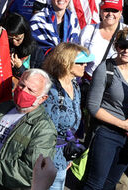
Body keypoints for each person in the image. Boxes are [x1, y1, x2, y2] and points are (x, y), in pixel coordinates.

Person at [80, 27, 128, 190]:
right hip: (106, 133)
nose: (126, 51)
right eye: (122, 46)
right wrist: (123, 124)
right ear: (116, 47)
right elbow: (93, 107)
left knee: (111, 184)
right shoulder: (105, 69)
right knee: (94, 184)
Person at [0, 68, 57, 190]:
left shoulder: (44, 129)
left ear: (43, 98)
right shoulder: (3, 107)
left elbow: (30, 171)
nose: (23, 91)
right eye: (22, 85)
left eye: (30, 90)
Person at [42, 43, 88, 190]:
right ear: (66, 63)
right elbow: (45, 131)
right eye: (80, 62)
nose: (85, 65)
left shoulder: (74, 85)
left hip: (63, 154)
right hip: (48, 156)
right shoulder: (51, 90)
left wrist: (68, 151)